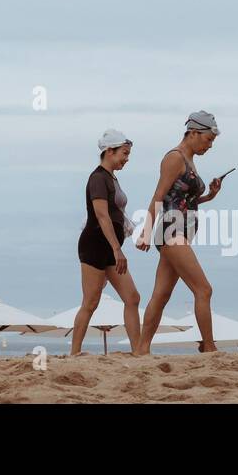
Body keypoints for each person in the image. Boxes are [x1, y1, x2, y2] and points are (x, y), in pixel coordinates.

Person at [136, 111, 227, 354]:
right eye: (208, 140)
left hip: (179, 232)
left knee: (161, 295)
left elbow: (184, 200)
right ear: (194, 133)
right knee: (204, 289)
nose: (209, 146)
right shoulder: (175, 158)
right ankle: (208, 346)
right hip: (171, 231)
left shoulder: (189, 160)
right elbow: (159, 196)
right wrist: (145, 231)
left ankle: (142, 349)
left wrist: (210, 195)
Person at [71, 129, 142, 355]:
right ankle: (74, 353)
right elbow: (102, 216)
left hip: (111, 247)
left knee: (132, 297)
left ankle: (138, 351)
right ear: (109, 151)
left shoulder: (111, 177)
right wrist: (117, 249)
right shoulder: (98, 178)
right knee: (90, 303)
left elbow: (116, 213)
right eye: (124, 153)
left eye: (128, 154)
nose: (127, 158)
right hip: (95, 246)